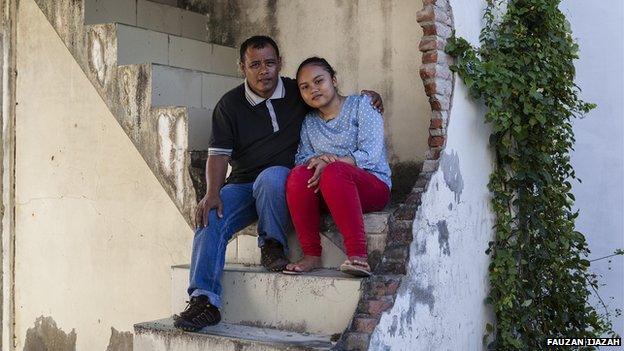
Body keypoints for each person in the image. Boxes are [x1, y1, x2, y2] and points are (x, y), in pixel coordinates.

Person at [173, 37, 383, 332]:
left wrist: (369, 99)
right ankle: (204, 301)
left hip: (281, 181)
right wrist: (211, 193)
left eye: (269, 63)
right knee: (209, 215)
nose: (264, 71)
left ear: (279, 63)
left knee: (273, 176)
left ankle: (272, 244)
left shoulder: (298, 91)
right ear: (242, 67)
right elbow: (218, 156)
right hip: (244, 184)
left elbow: (329, 95)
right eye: (255, 64)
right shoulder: (229, 105)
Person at [283, 57, 391, 277]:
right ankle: (311, 254)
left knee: (334, 171)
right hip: (330, 190)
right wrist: (320, 162)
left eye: (318, 81)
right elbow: (303, 157)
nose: (313, 89)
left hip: (372, 186)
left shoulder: (363, 105)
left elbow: (370, 155)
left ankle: (358, 256)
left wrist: (329, 161)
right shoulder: (309, 122)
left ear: (333, 79)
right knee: (297, 174)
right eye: (305, 87)